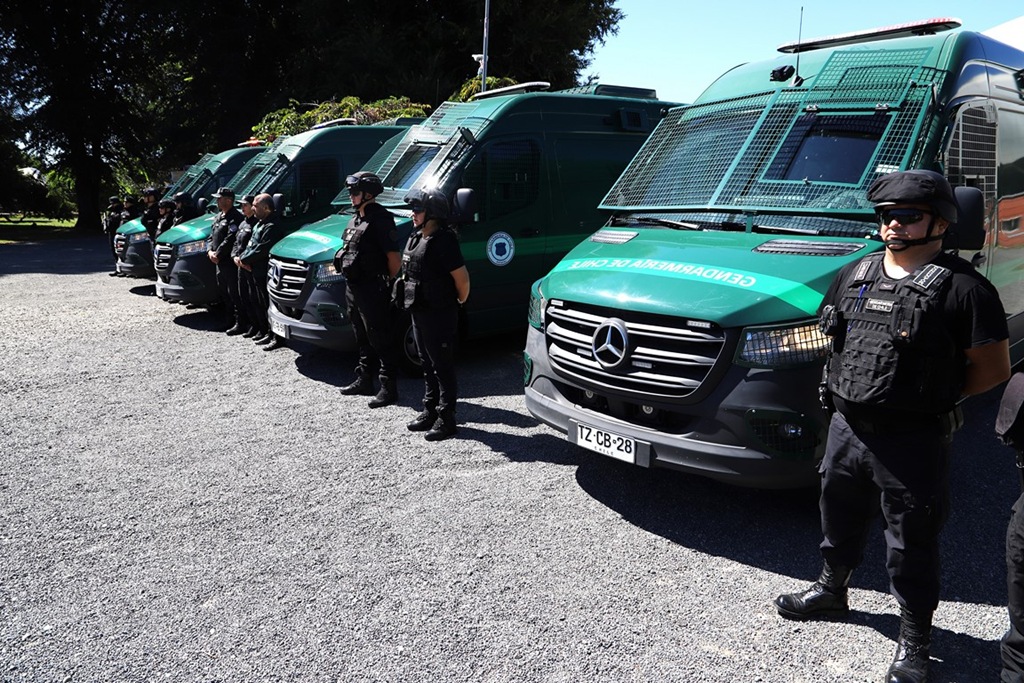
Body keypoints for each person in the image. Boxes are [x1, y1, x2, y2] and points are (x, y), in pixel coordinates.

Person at [774, 170, 1011, 683]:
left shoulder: (966, 289)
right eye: (886, 215)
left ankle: (914, 638)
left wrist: (929, 399)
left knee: (911, 543)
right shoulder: (855, 273)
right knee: (837, 517)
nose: (893, 225)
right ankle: (831, 590)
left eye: (908, 215)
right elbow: (835, 337)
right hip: (846, 428)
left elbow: (992, 370)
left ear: (941, 223)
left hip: (912, 440)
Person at [394, 188, 470, 441]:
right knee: (426, 364)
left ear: (433, 213)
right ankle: (430, 410)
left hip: (439, 313)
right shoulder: (416, 237)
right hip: (419, 311)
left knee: (442, 366)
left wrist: (456, 303)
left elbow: (462, 280)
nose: (412, 214)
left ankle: (446, 419)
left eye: (418, 209)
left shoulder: (444, 241)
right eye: (413, 209)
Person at [335, 171, 402, 408]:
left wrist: (383, 283)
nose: (351, 196)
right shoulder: (356, 219)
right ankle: (365, 379)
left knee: (380, 336)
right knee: (360, 334)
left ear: (368, 194)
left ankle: (388, 387)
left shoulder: (381, 220)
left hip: (372, 287)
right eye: (350, 192)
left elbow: (394, 260)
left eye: (355, 192)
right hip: (354, 287)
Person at [235, 193, 285, 351]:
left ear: (266, 208)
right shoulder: (259, 224)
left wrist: (244, 260)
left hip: (265, 271)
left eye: (255, 206)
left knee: (270, 305)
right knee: (260, 303)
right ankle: (268, 332)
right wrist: (242, 258)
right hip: (254, 270)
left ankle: (277, 337)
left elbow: (262, 249)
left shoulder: (273, 225)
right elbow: (251, 245)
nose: (253, 208)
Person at [207, 187, 245, 333]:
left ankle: (240, 322)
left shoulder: (235, 217)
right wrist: (209, 251)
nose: (217, 201)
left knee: (234, 292)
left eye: (219, 198)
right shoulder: (219, 216)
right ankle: (229, 321)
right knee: (224, 293)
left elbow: (230, 239)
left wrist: (218, 254)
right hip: (218, 262)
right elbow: (211, 236)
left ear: (229, 201)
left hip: (228, 262)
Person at [230, 194, 259, 338]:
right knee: (243, 296)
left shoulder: (256, 224)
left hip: (250, 265)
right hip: (240, 264)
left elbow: (253, 246)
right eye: (241, 205)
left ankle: (260, 326)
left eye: (245, 205)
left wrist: (244, 260)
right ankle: (251, 324)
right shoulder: (242, 223)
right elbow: (236, 243)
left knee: (254, 298)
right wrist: (234, 256)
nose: (242, 207)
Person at [103, 195, 123, 276]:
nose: (112, 205)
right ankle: (117, 269)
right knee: (113, 251)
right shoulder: (111, 211)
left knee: (119, 251)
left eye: (113, 203)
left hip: (117, 232)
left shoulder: (120, 211)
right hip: (111, 232)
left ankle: (121, 269)